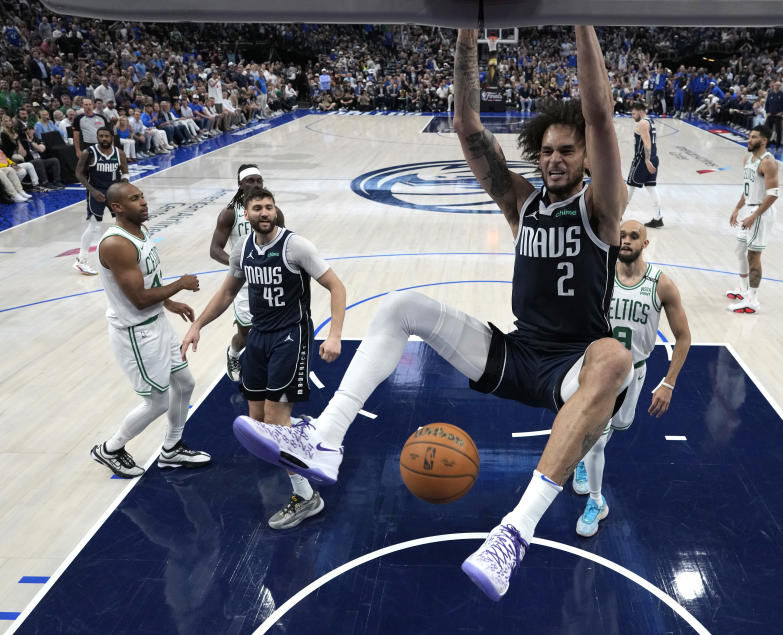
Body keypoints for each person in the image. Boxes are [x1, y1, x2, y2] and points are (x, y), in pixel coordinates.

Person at [230, 26, 632, 601]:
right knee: (401, 306)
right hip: (517, 354)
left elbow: (598, 111)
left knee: (616, 358)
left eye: (567, 149)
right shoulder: (522, 201)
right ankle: (326, 438)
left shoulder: (602, 204)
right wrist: (468, 35)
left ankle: (514, 534)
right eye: (545, 150)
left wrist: (580, 18)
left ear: (586, 155)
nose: (554, 159)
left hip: (572, 366)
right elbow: (469, 129)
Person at [181, 187, 346, 530]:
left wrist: (334, 335)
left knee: (273, 420)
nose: (265, 213)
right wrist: (198, 324)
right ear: (247, 215)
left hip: (291, 335)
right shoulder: (242, 249)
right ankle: (296, 432)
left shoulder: (295, 246)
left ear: (276, 211)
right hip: (258, 337)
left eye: (269, 207)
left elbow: (337, 286)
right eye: (258, 208)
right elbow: (227, 292)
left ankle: (306, 497)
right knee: (257, 419)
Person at [571, 217, 691, 536]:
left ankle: (585, 461)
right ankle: (597, 501)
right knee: (596, 440)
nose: (625, 240)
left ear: (644, 244)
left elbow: (683, 337)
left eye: (633, 236)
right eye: (620, 234)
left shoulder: (660, 283)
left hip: (634, 374)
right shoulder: (601, 274)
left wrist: (668, 383)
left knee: (612, 431)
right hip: (598, 371)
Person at [90, 182, 211, 478]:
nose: (143, 202)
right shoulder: (116, 244)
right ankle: (111, 449)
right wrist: (179, 284)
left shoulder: (139, 231)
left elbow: (147, 282)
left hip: (156, 323)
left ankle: (171, 449)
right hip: (136, 333)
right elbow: (139, 299)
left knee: (184, 384)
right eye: (135, 199)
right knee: (157, 402)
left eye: (142, 196)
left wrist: (169, 301)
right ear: (116, 207)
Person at [209, 165, 286, 382]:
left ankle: (268, 370)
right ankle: (233, 353)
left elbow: (282, 243)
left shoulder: (273, 212)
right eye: (249, 181)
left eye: (258, 181)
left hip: (271, 280)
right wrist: (239, 265)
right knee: (246, 335)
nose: (255, 185)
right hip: (244, 285)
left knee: (273, 331)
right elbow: (215, 250)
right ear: (240, 184)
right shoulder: (229, 214)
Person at [726, 124, 779, 313]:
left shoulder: (768, 162)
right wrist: (737, 208)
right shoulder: (747, 159)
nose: (749, 140)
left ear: (764, 140)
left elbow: (773, 194)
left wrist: (754, 215)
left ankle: (752, 300)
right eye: (749, 136)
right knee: (739, 250)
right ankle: (742, 288)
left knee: (753, 255)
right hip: (748, 209)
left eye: (754, 137)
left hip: (760, 212)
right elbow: (748, 188)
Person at [75, 126, 128, 276]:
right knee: (94, 226)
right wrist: (92, 190)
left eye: (106, 136)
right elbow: (78, 173)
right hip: (96, 192)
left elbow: (125, 172)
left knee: (123, 223)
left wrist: (124, 185)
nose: (103, 139)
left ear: (112, 137)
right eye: (101, 136)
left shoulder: (119, 153)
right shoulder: (89, 153)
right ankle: (82, 261)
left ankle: (122, 255)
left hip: (114, 192)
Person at [625, 100, 661, 227]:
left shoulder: (642, 124)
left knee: (630, 186)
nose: (632, 116)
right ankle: (658, 218)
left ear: (640, 111)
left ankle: (617, 215)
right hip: (654, 158)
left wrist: (646, 160)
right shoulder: (651, 121)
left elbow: (647, 143)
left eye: (634, 113)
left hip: (643, 160)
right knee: (651, 187)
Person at [764, 80, 783, 150]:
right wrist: (767, 112)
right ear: (773, 85)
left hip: (777, 116)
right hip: (770, 115)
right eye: (776, 85)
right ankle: (766, 145)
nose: (777, 86)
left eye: (779, 85)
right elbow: (766, 104)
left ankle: (777, 146)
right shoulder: (770, 94)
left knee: (778, 132)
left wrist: (782, 112)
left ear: (780, 86)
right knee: (767, 131)